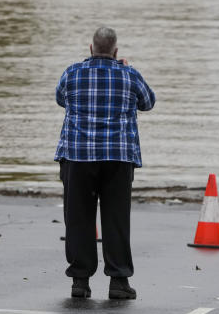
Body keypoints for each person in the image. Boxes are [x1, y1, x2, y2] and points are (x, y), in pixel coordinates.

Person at [54, 26, 156, 299]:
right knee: (116, 219)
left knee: (78, 218)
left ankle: (80, 281)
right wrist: (127, 69)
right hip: (118, 157)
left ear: (91, 48)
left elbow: (61, 99)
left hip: (78, 155)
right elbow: (148, 103)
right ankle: (119, 281)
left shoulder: (72, 72)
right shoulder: (130, 75)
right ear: (116, 51)